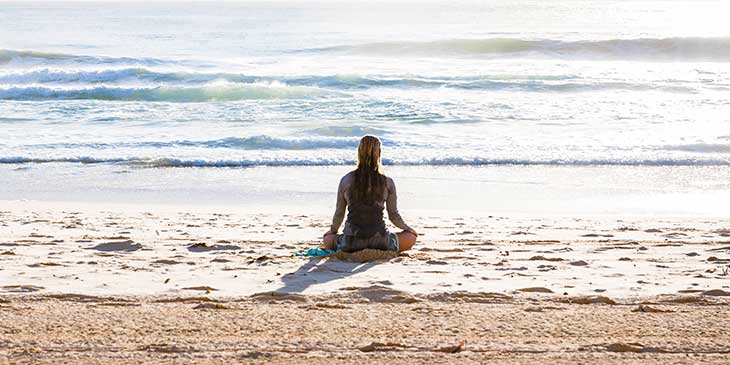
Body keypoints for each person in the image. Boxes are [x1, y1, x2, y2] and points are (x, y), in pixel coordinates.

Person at [321, 135, 417, 253]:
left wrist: (332, 231)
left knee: (327, 239)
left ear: (359, 152)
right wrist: (408, 229)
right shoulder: (387, 182)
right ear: (379, 153)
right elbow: (393, 215)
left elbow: (339, 213)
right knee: (411, 237)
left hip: (351, 242)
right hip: (380, 241)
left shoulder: (346, 180)